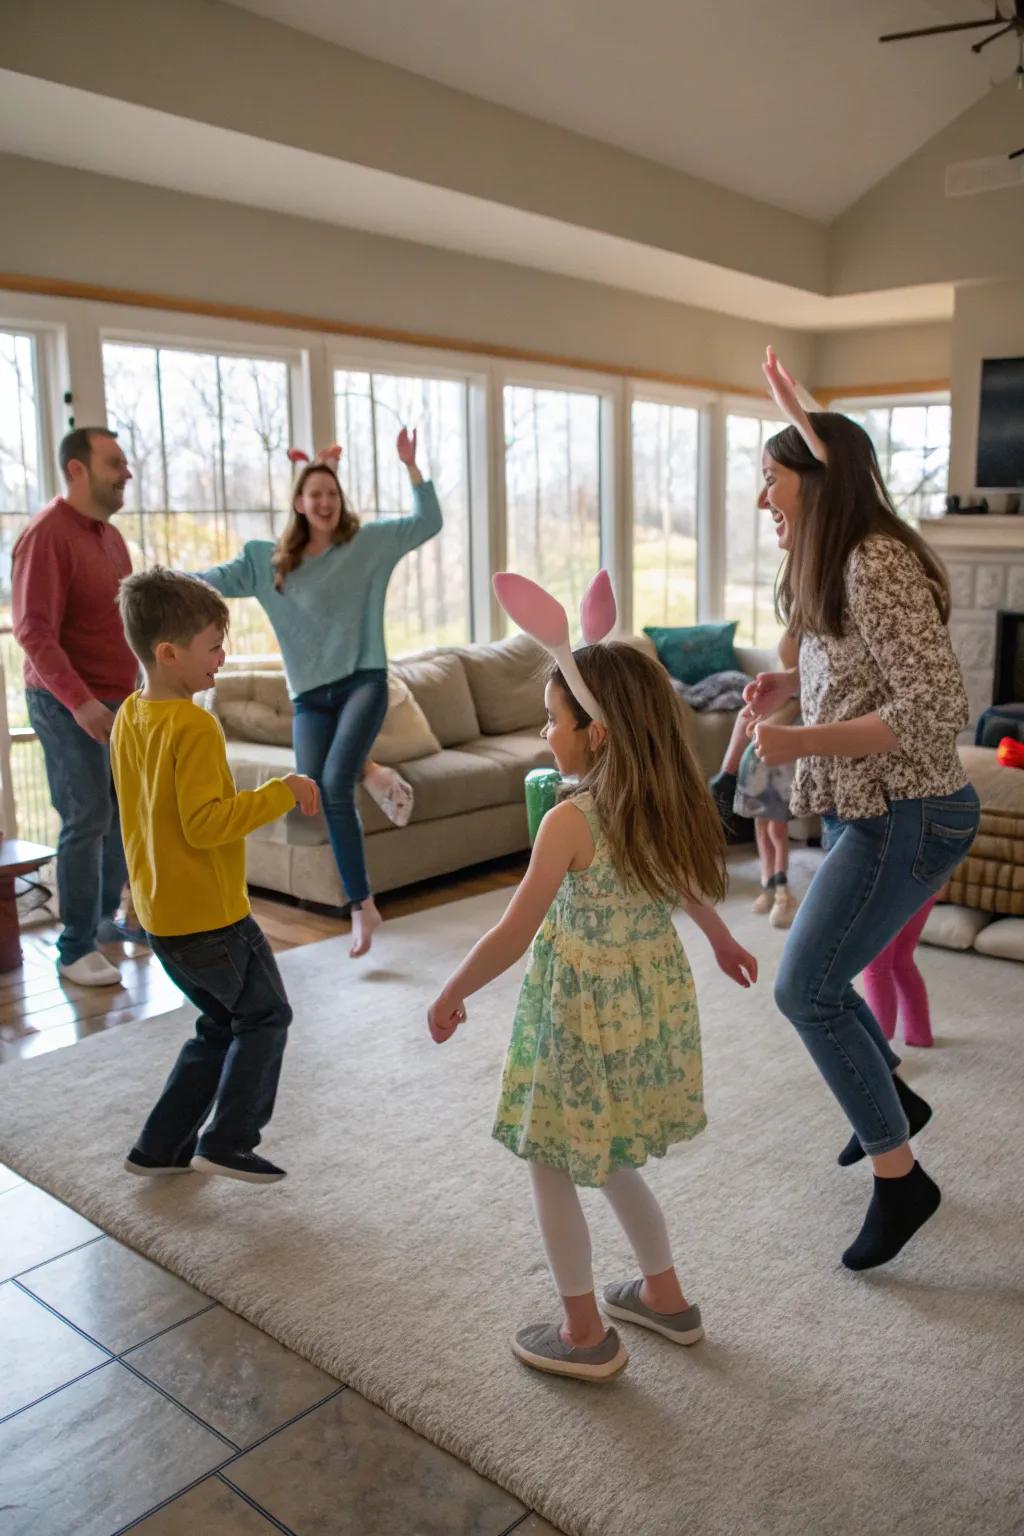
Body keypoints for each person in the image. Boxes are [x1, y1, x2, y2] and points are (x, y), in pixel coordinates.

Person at [428, 573, 757, 1382]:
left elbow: (515, 929)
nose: (546, 735)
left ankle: (584, 1334)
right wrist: (717, 938)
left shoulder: (568, 821)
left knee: (551, 1160)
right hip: (642, 1005)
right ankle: (665, 1297)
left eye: (552, 720)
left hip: (578, 1013)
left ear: (597, 733)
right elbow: (683, 883)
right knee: (608, 1155)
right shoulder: (654, 803)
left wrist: (453, 989)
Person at [742, 347, 979, 1270]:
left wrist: (797, 743)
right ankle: (894, 1098)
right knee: (824, 983)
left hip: (910, 813)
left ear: (814, 479)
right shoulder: (833, 561)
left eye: (772, 481)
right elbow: (855, 676)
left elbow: (933, 708)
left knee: (804, 987)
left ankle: (901, 1177)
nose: (764, 501)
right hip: (866, 811)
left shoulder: (875, 560)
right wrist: (785, 687)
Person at [195, 430, 441, 958]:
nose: (324, 502)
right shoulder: (269, 562)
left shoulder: (368, 545)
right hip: (311, 697)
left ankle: (361, 905)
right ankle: (372, 770)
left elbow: (429, 523)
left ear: (339, 500)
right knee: (309, 789)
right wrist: (155, 581)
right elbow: (209, 582)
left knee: (331, 783)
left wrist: (411, 466)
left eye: (332, 493)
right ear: (299, 503)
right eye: (314, 493)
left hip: (363, 682)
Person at [111, 568, 320, 1183]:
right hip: (212, 918)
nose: (222, 657)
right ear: (169, 654)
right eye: (212, 646)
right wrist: (280, 793)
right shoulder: (194, 725)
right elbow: (205, 824)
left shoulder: (129, 715)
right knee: (266, 1017)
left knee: (220, 1025)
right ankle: (228, 1138)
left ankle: (159, 1146)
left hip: (160, 916)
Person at [12, 426, 142, 988]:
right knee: (87, 817)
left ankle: (103, 924)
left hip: (118, 700)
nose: (127, 473)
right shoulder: (46, 536)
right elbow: (33, 632)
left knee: (117, 819)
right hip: (67, 702)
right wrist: (82, 703)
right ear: (77, 470)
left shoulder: (110, 538)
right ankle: (74, 949)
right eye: (115, 463)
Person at [734, 628, 801, 929]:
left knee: (776, 829)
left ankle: (783, 887)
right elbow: (751, 723)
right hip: (758, 766)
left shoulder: (800, 693)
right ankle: (768, 884)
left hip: (780, 770)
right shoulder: (776, 687)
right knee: (761, 828)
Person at [860, 897, 939, 1050]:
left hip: (887, 889)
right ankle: (919, 1034)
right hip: (927, 883)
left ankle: (878, 1048)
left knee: (876, 967)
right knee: (902, 960)